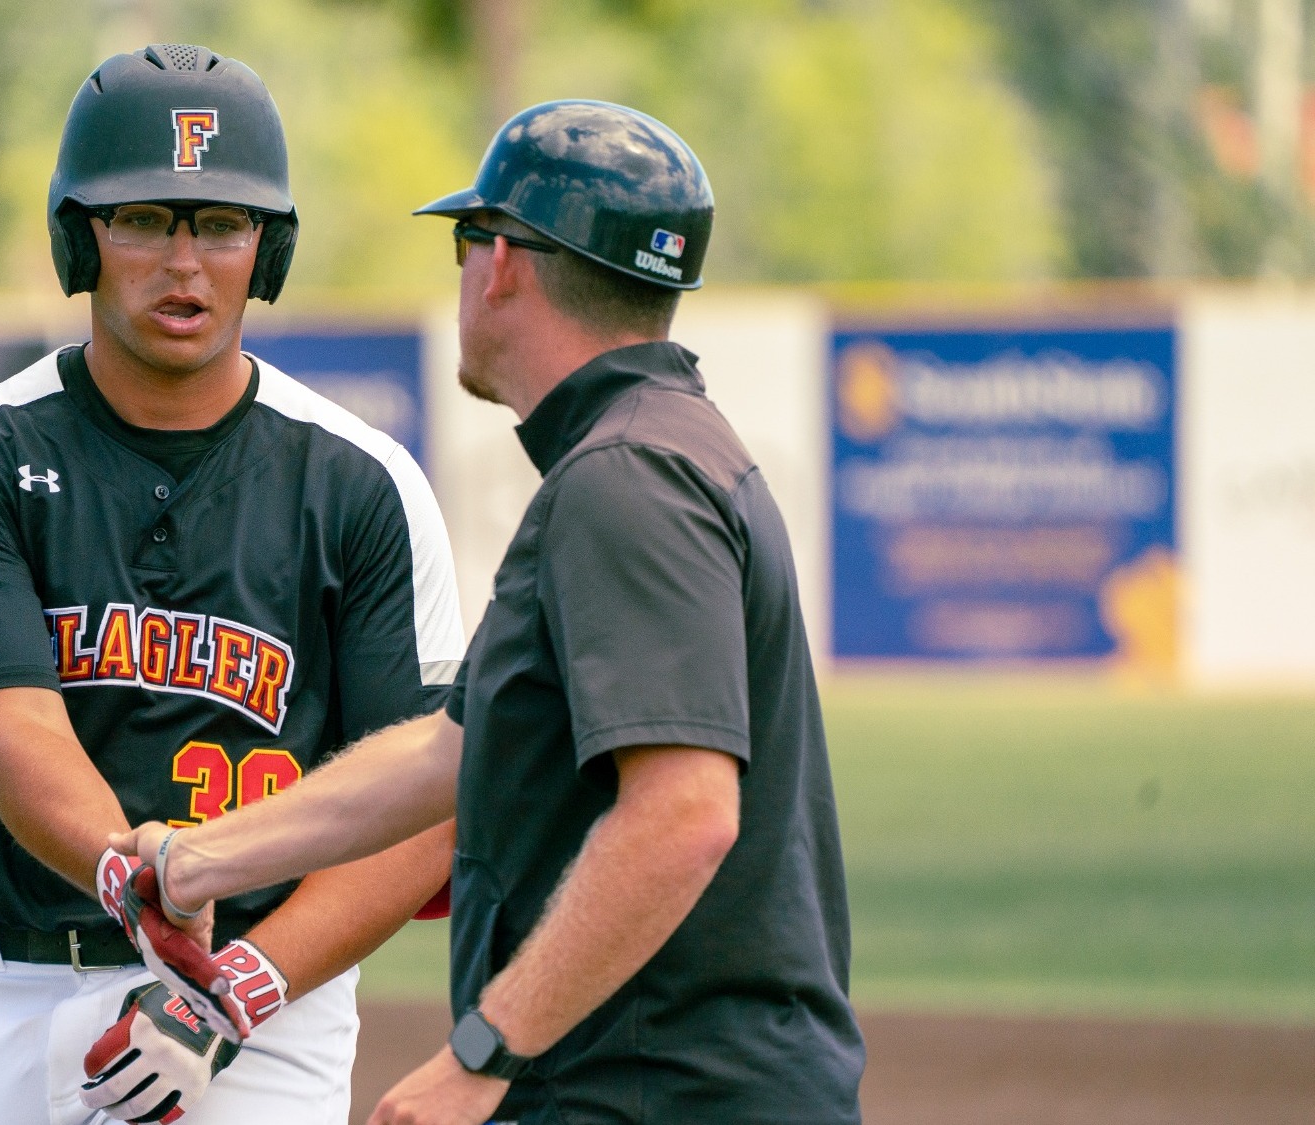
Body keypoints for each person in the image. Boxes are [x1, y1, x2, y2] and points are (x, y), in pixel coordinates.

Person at [113, 100, 866, 1125]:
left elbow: (684, 814)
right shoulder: (647, 449)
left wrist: (481, 1053)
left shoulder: (623, 476)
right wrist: (204, 856)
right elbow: (447, 754)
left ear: (502, 261)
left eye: (466, 241)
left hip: (656, 1090)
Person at [0, 44, 466, 1125]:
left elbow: (425, 804)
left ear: (268, 249)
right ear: (80, 239)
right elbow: (19, 742)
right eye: (142, 220)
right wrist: (133, 879)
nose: (184, 263)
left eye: (221, 224)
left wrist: (227, 995)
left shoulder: (361, 484)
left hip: (264, 1003)